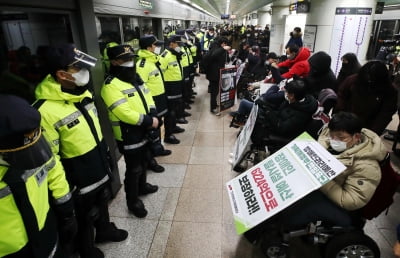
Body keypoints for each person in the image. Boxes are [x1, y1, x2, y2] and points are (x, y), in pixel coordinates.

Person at [35, 44, 128, 258]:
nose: (84, 72)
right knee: (85, 216)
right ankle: (86, 250)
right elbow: (51, 159)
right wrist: (66, 190)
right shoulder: (44, 110)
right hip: (78, 178)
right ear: (61, 74)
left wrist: (106, 152)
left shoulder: (81, 94)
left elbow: (93, 128)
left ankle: (104, 230)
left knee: (102, 201)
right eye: (78, 68)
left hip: (98, 164)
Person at [0, 94, 75, 258]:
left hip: (46, 227)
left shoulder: (33, 148)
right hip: (12, 250)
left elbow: (52, 164)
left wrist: (65, 203)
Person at [101, 44, 159, 218]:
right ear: (114, 62)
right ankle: (132, 202)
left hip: (145, 130)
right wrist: (149, 121)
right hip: (128, 135)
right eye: (124, 59)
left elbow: (147, 95)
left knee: (143, 163)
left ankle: (143, 187)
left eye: (131, 58)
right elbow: (124, 113)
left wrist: (153, 114)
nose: (129, 62)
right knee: (133, 169)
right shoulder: (110, 85)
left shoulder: (134, 77)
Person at [251, 78, 318, 147]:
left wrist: (267, 110)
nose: (285, 93)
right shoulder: (293, 100)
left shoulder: (301, 114)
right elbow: (278, 111)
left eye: (286, 92)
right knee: (252, 106)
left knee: (253, 115)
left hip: (281, 132)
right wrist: (265, 106)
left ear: (292, 95)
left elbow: (281, 127)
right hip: (276, 119)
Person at [335, 60, 398, 135]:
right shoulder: (353, 80)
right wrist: (340, 115)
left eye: (372, 79)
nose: (369, 80)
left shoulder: (389, 90)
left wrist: (372, 133)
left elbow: (385, 114)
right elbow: (341, 95)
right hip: (347, 119)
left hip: (369, 125)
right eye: (367, 77)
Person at [136, 35, 174, 158]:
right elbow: (141, 88)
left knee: (159, 123)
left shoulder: (153, 60)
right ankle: (155, 151)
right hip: (152, 100)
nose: (158, 47)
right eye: (155, 45)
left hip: (159, 96)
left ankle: (158, 146)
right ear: (148, 48)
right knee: (154, 126)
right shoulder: (142, 65)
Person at [158, 35, 185, 144]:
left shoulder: (176, 54)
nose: (180, 47)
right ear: (171, 44)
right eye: (178, 44)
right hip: (169, 87)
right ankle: (168, 135)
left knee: (175, 109)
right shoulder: (165, 56)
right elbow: (161, 73)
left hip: (177, 86)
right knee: (170, 112)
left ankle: (173, 127)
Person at [204, 36, 231, 114]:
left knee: (216, 91)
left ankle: (215, 104)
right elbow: (214, 55)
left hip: (218, 73)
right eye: (225, 44)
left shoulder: (221, 49)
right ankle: (213, 108)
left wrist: (226, 52)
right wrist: (223, 49)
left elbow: (227, 60)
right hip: (213, 73)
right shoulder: (215, 47)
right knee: (214, 92)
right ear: (222, 43)